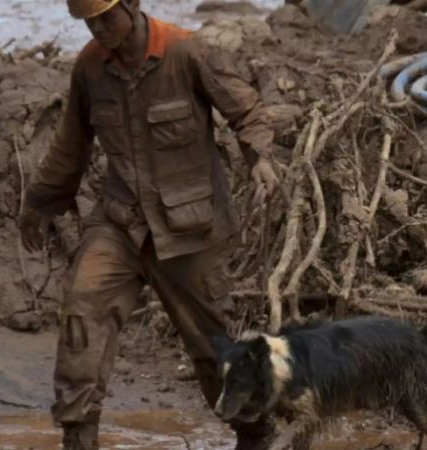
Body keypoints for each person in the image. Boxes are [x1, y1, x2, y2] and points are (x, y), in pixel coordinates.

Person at [18, 0, 279, 448]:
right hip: (120, 224)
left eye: (105, 17)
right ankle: (79, 439)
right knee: (83, 314)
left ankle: (256, 434)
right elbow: (70, 146)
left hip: (190, 231)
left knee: (212, 351)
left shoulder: (186, 53)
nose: (97, 28)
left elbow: (247, 110)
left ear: (133, 5)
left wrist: (259, 158)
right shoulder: (89, 69)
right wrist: (39, 204)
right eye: (88, 22)